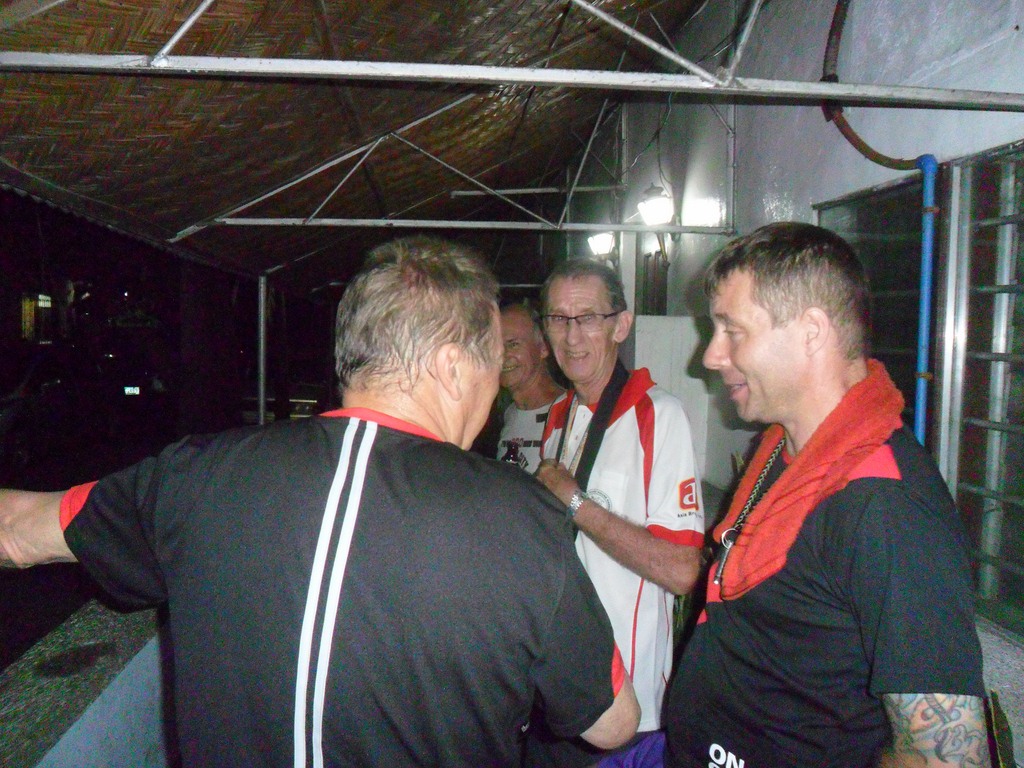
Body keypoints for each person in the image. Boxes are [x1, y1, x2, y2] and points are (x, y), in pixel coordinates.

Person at [0, 237, 640, 768]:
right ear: (451, 367)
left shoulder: (196, 474)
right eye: (489, 363)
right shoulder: (520, 518)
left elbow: (19, 529)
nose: (493, 385)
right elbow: (613, 723)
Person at [664, 222, 989, 768]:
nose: (711, 357)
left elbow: (948, 757)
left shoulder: (886, 506)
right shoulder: (782, 449)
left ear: (811, 331)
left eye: (731, 331)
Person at [528, 258, 705, 767]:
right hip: (557, 689)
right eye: (558, 319)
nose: (572, 336)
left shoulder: (659, 415)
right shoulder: (559, 414)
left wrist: (576, 503)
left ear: (621, 325)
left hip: (629, 706)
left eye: (587, 318)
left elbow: (682, 571)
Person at [495, 301, 565, 473]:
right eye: (495, 346)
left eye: (513, 344)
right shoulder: (510, 413)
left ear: (543, 348)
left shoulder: (568, 413)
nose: (502, 355)